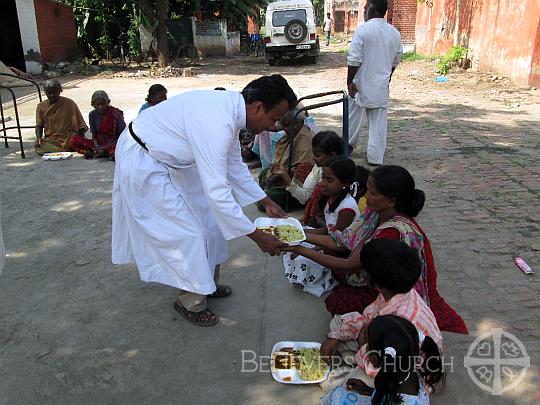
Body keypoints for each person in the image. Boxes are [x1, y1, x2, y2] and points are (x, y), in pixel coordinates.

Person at [112, 75, 297, 327]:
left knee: (210, 223)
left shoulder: (231, 113)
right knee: (189, 233)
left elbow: (234, 164)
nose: (271, 126)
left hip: (172, 159)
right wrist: (258, 236)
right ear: (257, 107)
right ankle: (189, 300)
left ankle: (205, 283)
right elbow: (217, 192)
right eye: (273, 119)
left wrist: (264, 200)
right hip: (144, 160)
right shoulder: (218, 121)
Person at [283, 165, 468, 334]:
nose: (365, 197)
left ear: (390, 201)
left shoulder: (392, 232)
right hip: (372, 273)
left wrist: (300, 248)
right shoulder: (374, 214)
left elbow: (349, 265)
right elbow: (342, 240)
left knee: (337, 302)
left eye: (372, 193)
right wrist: (300, 236)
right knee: (333, 256)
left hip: (395, 289)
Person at [319, 240, 442, 391]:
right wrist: (335, 336)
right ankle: (356, 355)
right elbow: (365, 317)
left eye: (364, 272)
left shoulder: (401, 320)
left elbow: (388, 367)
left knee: (336, 385)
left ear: (375, 283)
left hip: (403, 374)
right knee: (338, 322)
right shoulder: (393, 291)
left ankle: (355, 363)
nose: (361, 276)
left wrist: (362, 346)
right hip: (384, 347)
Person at [321, 314, 444, 405]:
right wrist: (371, 391)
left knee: (336, 397)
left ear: (373, 360)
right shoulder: (409, 374)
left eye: (367, 344)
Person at [284, 158, 363, 297]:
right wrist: (300, 231)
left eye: (329, 180)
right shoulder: (331, 198)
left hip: (339, 250)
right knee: (293, 238)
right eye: (323, 178)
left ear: (344, 183)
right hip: (329, 240)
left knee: (300, 259)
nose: (323, 183)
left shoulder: (347, 208)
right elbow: (328, 229)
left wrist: (308, 248)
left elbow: (336, 242)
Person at [347, 0, 402, 165]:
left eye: (365, 8)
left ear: (371, 9)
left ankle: (346, 147)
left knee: (352, 119)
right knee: (378, 123)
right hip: (380, 85)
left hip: (359, 83)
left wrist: (349, 81)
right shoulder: (394, 33)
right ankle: (375, 158)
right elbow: (395, 60)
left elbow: (354, 59)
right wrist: (388, 77)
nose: (364, 11)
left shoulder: (363, 30)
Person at [258, 107, 313, 210]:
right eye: (284, 125)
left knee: (263, 201)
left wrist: (281, 176)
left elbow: (304, 170)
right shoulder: (289, 137)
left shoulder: (305, 139)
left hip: (295, 185)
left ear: (299, 123)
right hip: (284, 176)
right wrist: (274, 172)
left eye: (288, 125)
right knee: (263, 174)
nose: (285, 129)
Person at [299, 131, 345, 226]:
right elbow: (304, 196)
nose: (314, 158)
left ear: (332, 155)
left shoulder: (342, 172)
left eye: (318, 155)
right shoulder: (319, 168)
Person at [35, 79, 88, 155]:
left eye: (54, 92)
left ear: (59, 91)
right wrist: (38, 138)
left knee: (77, 142)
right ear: (45, 93)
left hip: (69, 138)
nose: (52, 95)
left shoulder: (69, 103)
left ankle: (67, 148)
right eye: (49, 93)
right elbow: (39, 125)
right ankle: (66, 149)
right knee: (39, 147)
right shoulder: (41, 106)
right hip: (52, 140)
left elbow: (81, 125)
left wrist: (79, 137)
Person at [71, 90, 126, 160]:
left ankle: (98, 153)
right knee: (73, 140)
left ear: (108, 102)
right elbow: (94, 135)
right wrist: (97, 146)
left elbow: (123, 135)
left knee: (116, 151)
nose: (101, 107)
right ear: (93, 104)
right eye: (98, 104)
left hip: (114, 143)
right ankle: (97, 152)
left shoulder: (116, 114)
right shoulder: (92, 115)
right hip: (99, 144)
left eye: (103, 104)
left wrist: (106, 147)